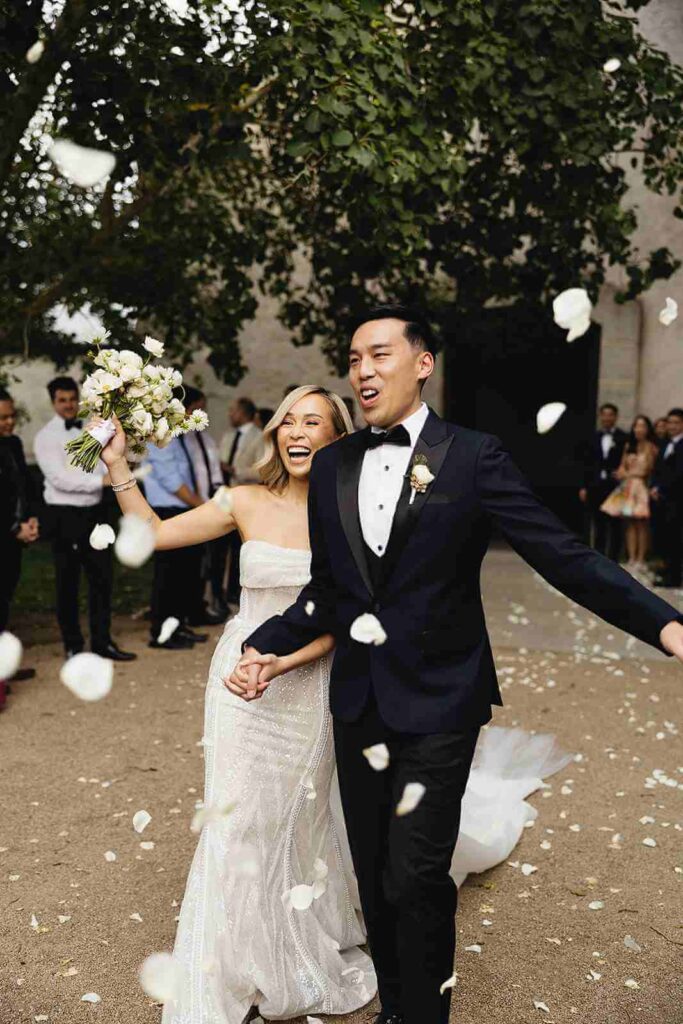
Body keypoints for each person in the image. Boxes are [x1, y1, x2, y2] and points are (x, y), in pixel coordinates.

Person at [231, 305, 683, 1024]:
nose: (363, 370)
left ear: (420, 363)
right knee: (377, 877)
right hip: (357, 700)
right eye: (352, 359)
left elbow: (560, 555)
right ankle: (395, 1008)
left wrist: (663, 625)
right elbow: (328, 592)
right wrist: (267, 648)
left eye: (378, 354)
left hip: (441, 698)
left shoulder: (473, 455)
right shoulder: (333, 467)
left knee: (415, 871)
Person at [94, 385, 571, 1024]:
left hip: (314, 675)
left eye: (312, 420)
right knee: (236, 819)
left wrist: (283, 660)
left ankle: (297, 943)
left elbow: (345, 612)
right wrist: (118, 465)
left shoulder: (349, 509)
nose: (295, 430)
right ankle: (231, 965)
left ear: (336, 435)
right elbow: (151, 534)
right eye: (287, 419)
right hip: (241, 677)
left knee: (303, 818)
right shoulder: (242, 501)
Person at [33, 377, 135, 662]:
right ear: (53, 402)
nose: (68, 405)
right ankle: (73, 645)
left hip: (95, 513)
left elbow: (105, 460)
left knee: (102, 578)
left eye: (72, 399)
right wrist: (101, 482)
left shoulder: (92, 429)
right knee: (68, 583)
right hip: (65, 516)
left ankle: (103, 642)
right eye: (62, 400)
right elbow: (59, 479)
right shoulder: (45, 437)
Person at [144, 432, 208, 647]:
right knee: (167, 574)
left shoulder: (176, 437)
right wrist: (202, 505)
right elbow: (170, 479)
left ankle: (178, 626)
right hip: (166, 510)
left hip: (181, 509)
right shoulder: (157, 437)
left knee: (182, 574)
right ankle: (161, 632)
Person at [0, 388, 39, 689]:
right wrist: (14, 527)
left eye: (12, 416)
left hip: (13, 539)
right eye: (2, 418)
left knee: (5, 599)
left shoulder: (13, 443)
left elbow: (24, 487)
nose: (9, 422)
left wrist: (31, 519)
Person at [182, 387, 227, 623]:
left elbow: (214, 468)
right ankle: (192, 607)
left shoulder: (206, 438)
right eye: (198, 408)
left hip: (216, 496)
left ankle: (211, 601)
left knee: (216, 555)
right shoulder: (183, 440)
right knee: (198, 558)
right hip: (197, 501)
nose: (202, 413)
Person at [219, 398, 265, 605]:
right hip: (222, 497)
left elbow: (262, 471)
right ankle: (219, 594)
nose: (229, 414)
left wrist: (236, 471)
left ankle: (237, 592)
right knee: (218, 550)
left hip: (246, 498)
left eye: (232, 410)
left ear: (243, 412)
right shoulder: (228, 436)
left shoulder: (260, 437)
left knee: (241, 549)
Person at [600, 415, 659, 575]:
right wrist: (622, 473)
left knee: (642, 523)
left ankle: (641, 559)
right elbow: (621, 467)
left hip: (642, 486)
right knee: (629, 523)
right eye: (636, 426)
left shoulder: (651, 447)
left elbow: (653, 470)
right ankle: (631, 558)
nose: (639, 429)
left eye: (642, 426)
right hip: (627, 485)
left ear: (647, 429)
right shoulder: (628, 446)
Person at [578, 402, 628, 561]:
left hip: (615, 487)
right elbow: (586, 463)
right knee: (597, 523)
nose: (607, 418)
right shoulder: (593, 437)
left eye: (610, 415)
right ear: (600, 417)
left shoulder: (623, 437)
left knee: (615, 525)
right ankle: (598, 557)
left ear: (615, 417)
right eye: (604, 415)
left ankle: (614, 558)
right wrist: (583, 486)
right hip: (595, 485)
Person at [650, 407, 683, 588]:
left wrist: (662, 488)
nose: (672, 426)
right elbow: (657, 469)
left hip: (677, 499)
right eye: (670, 422)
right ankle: (666, 570)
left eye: (677, 423)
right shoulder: (664, 444)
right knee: (663, 536)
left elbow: (679, 473)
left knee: (675, 538)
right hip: (661, 498)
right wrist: (654, 486)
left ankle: (674, 577)